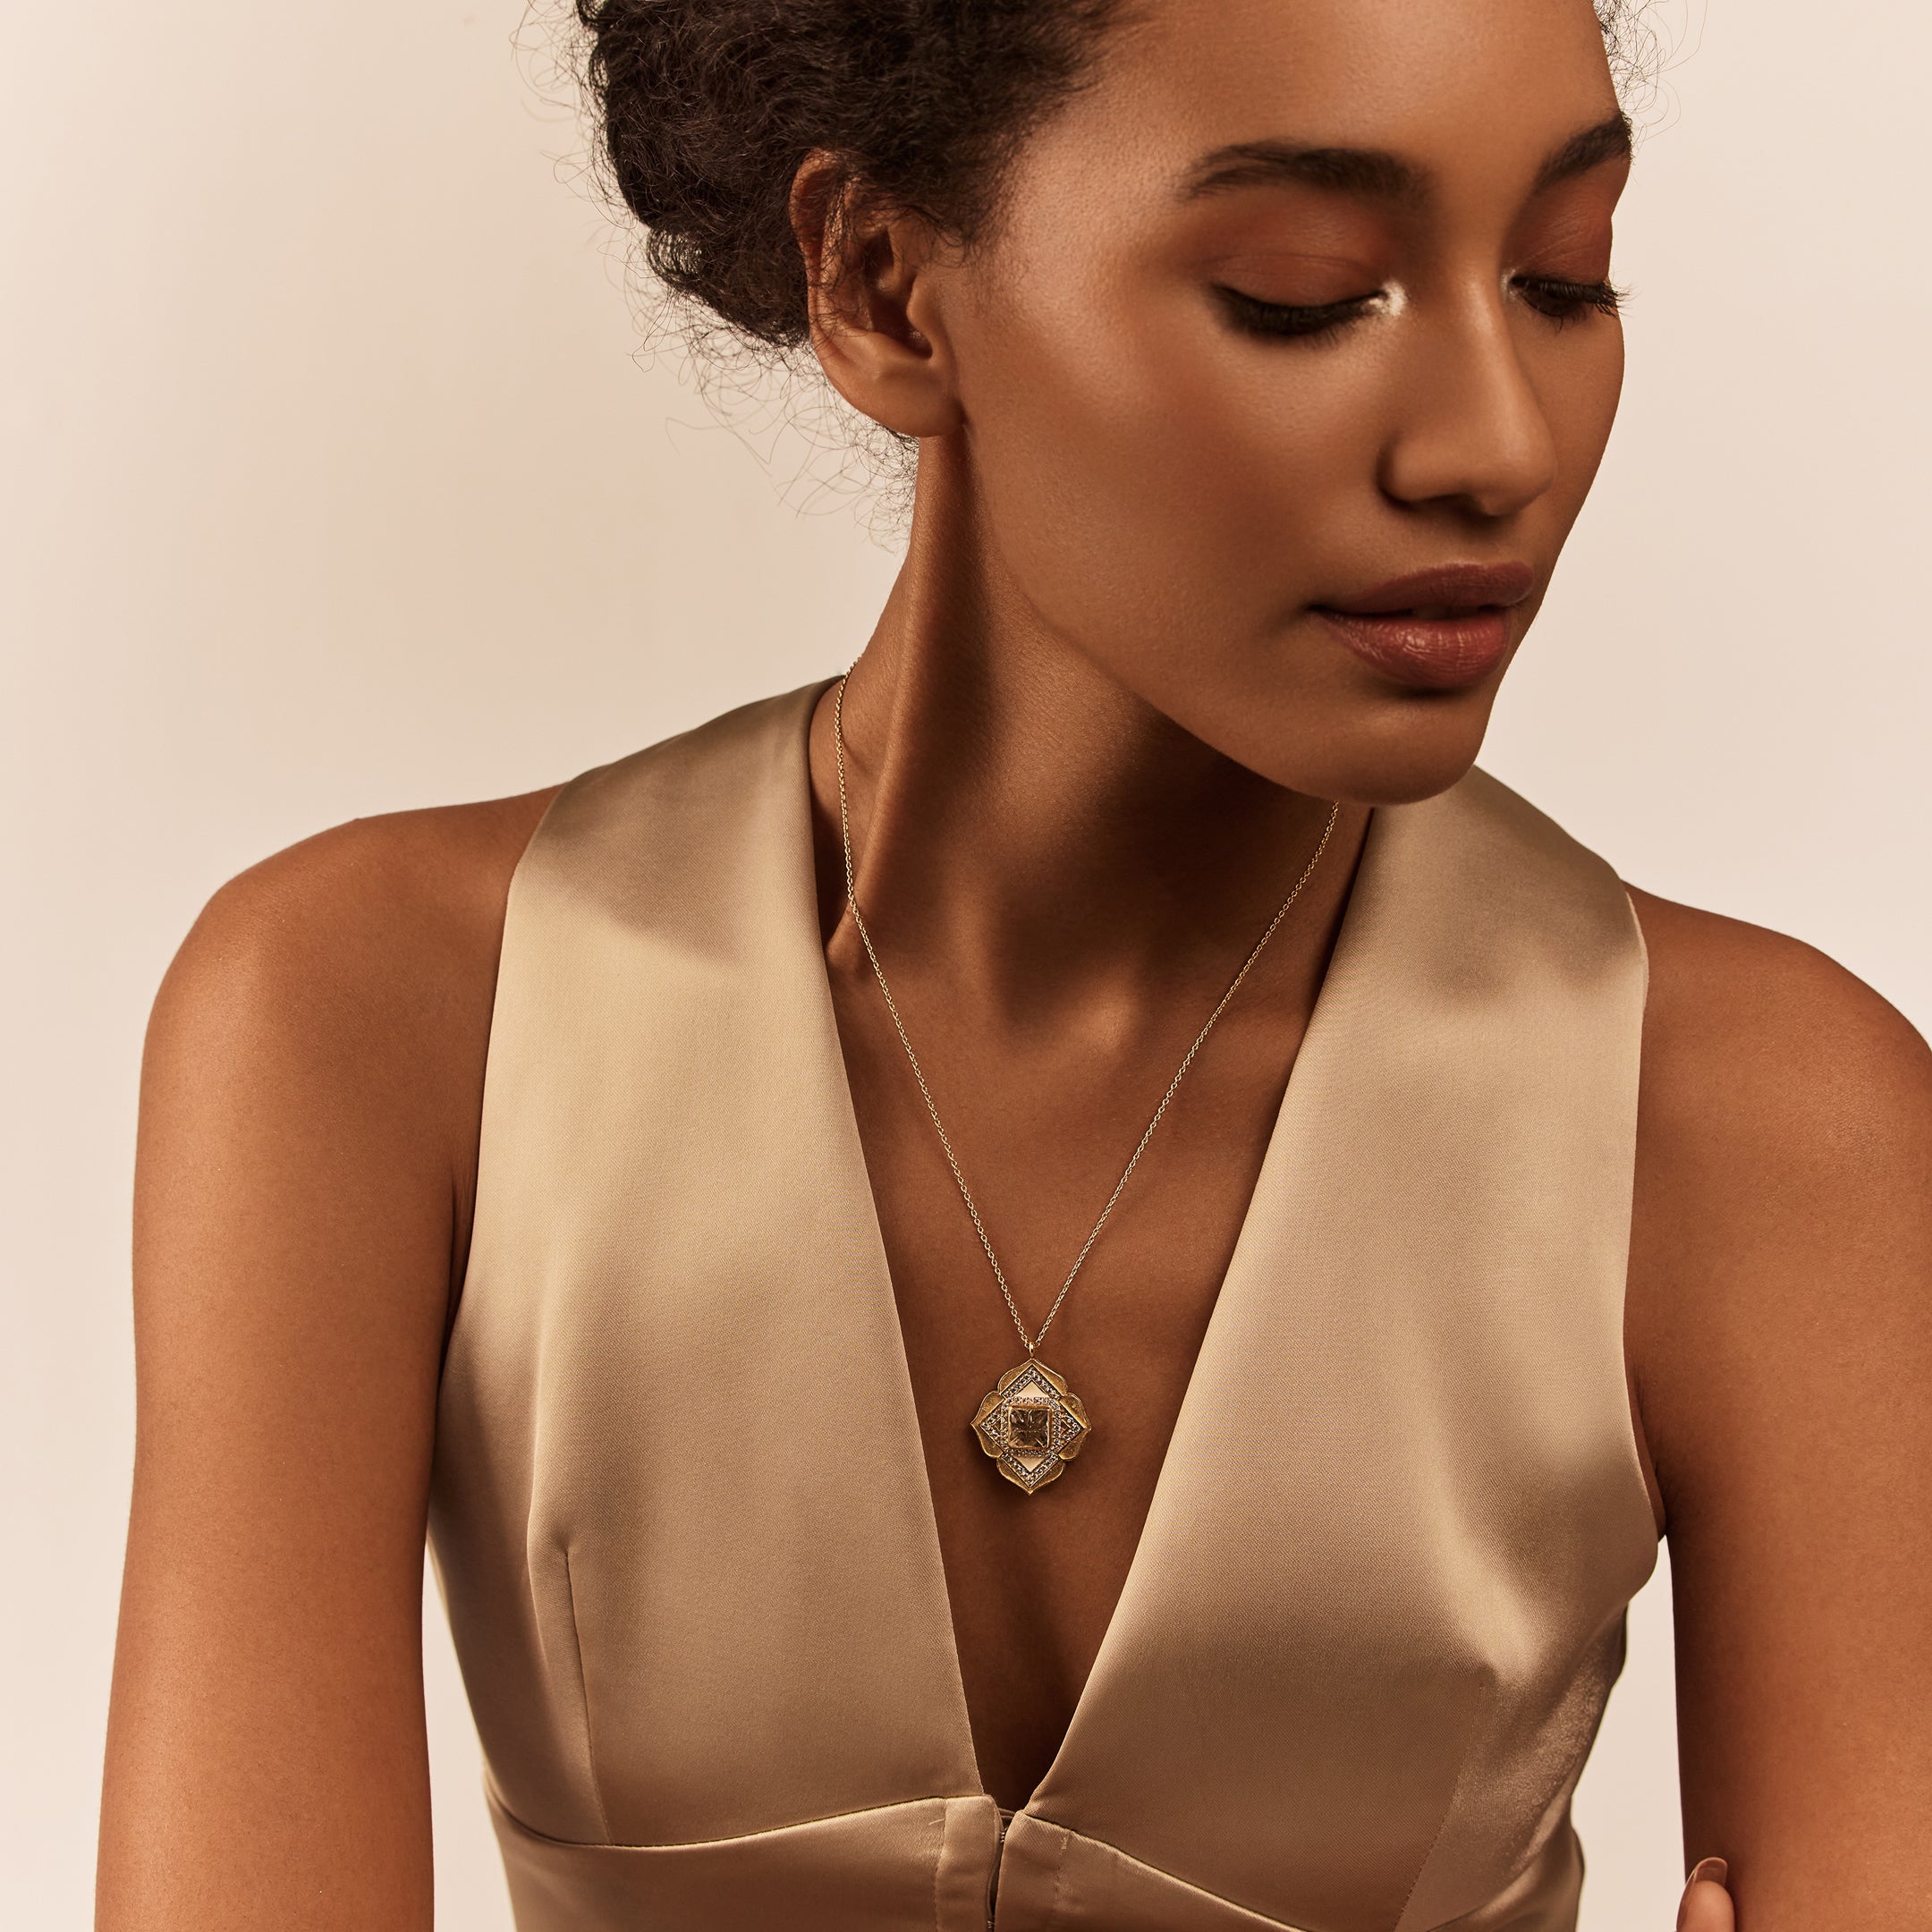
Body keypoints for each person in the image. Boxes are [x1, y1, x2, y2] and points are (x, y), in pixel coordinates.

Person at [96, 0, 1931, 1928]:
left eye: (1567, 278)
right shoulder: (372, 1024)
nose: (1499, 445)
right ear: (885, 287)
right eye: (1305, 294)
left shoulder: (1766, 1133)